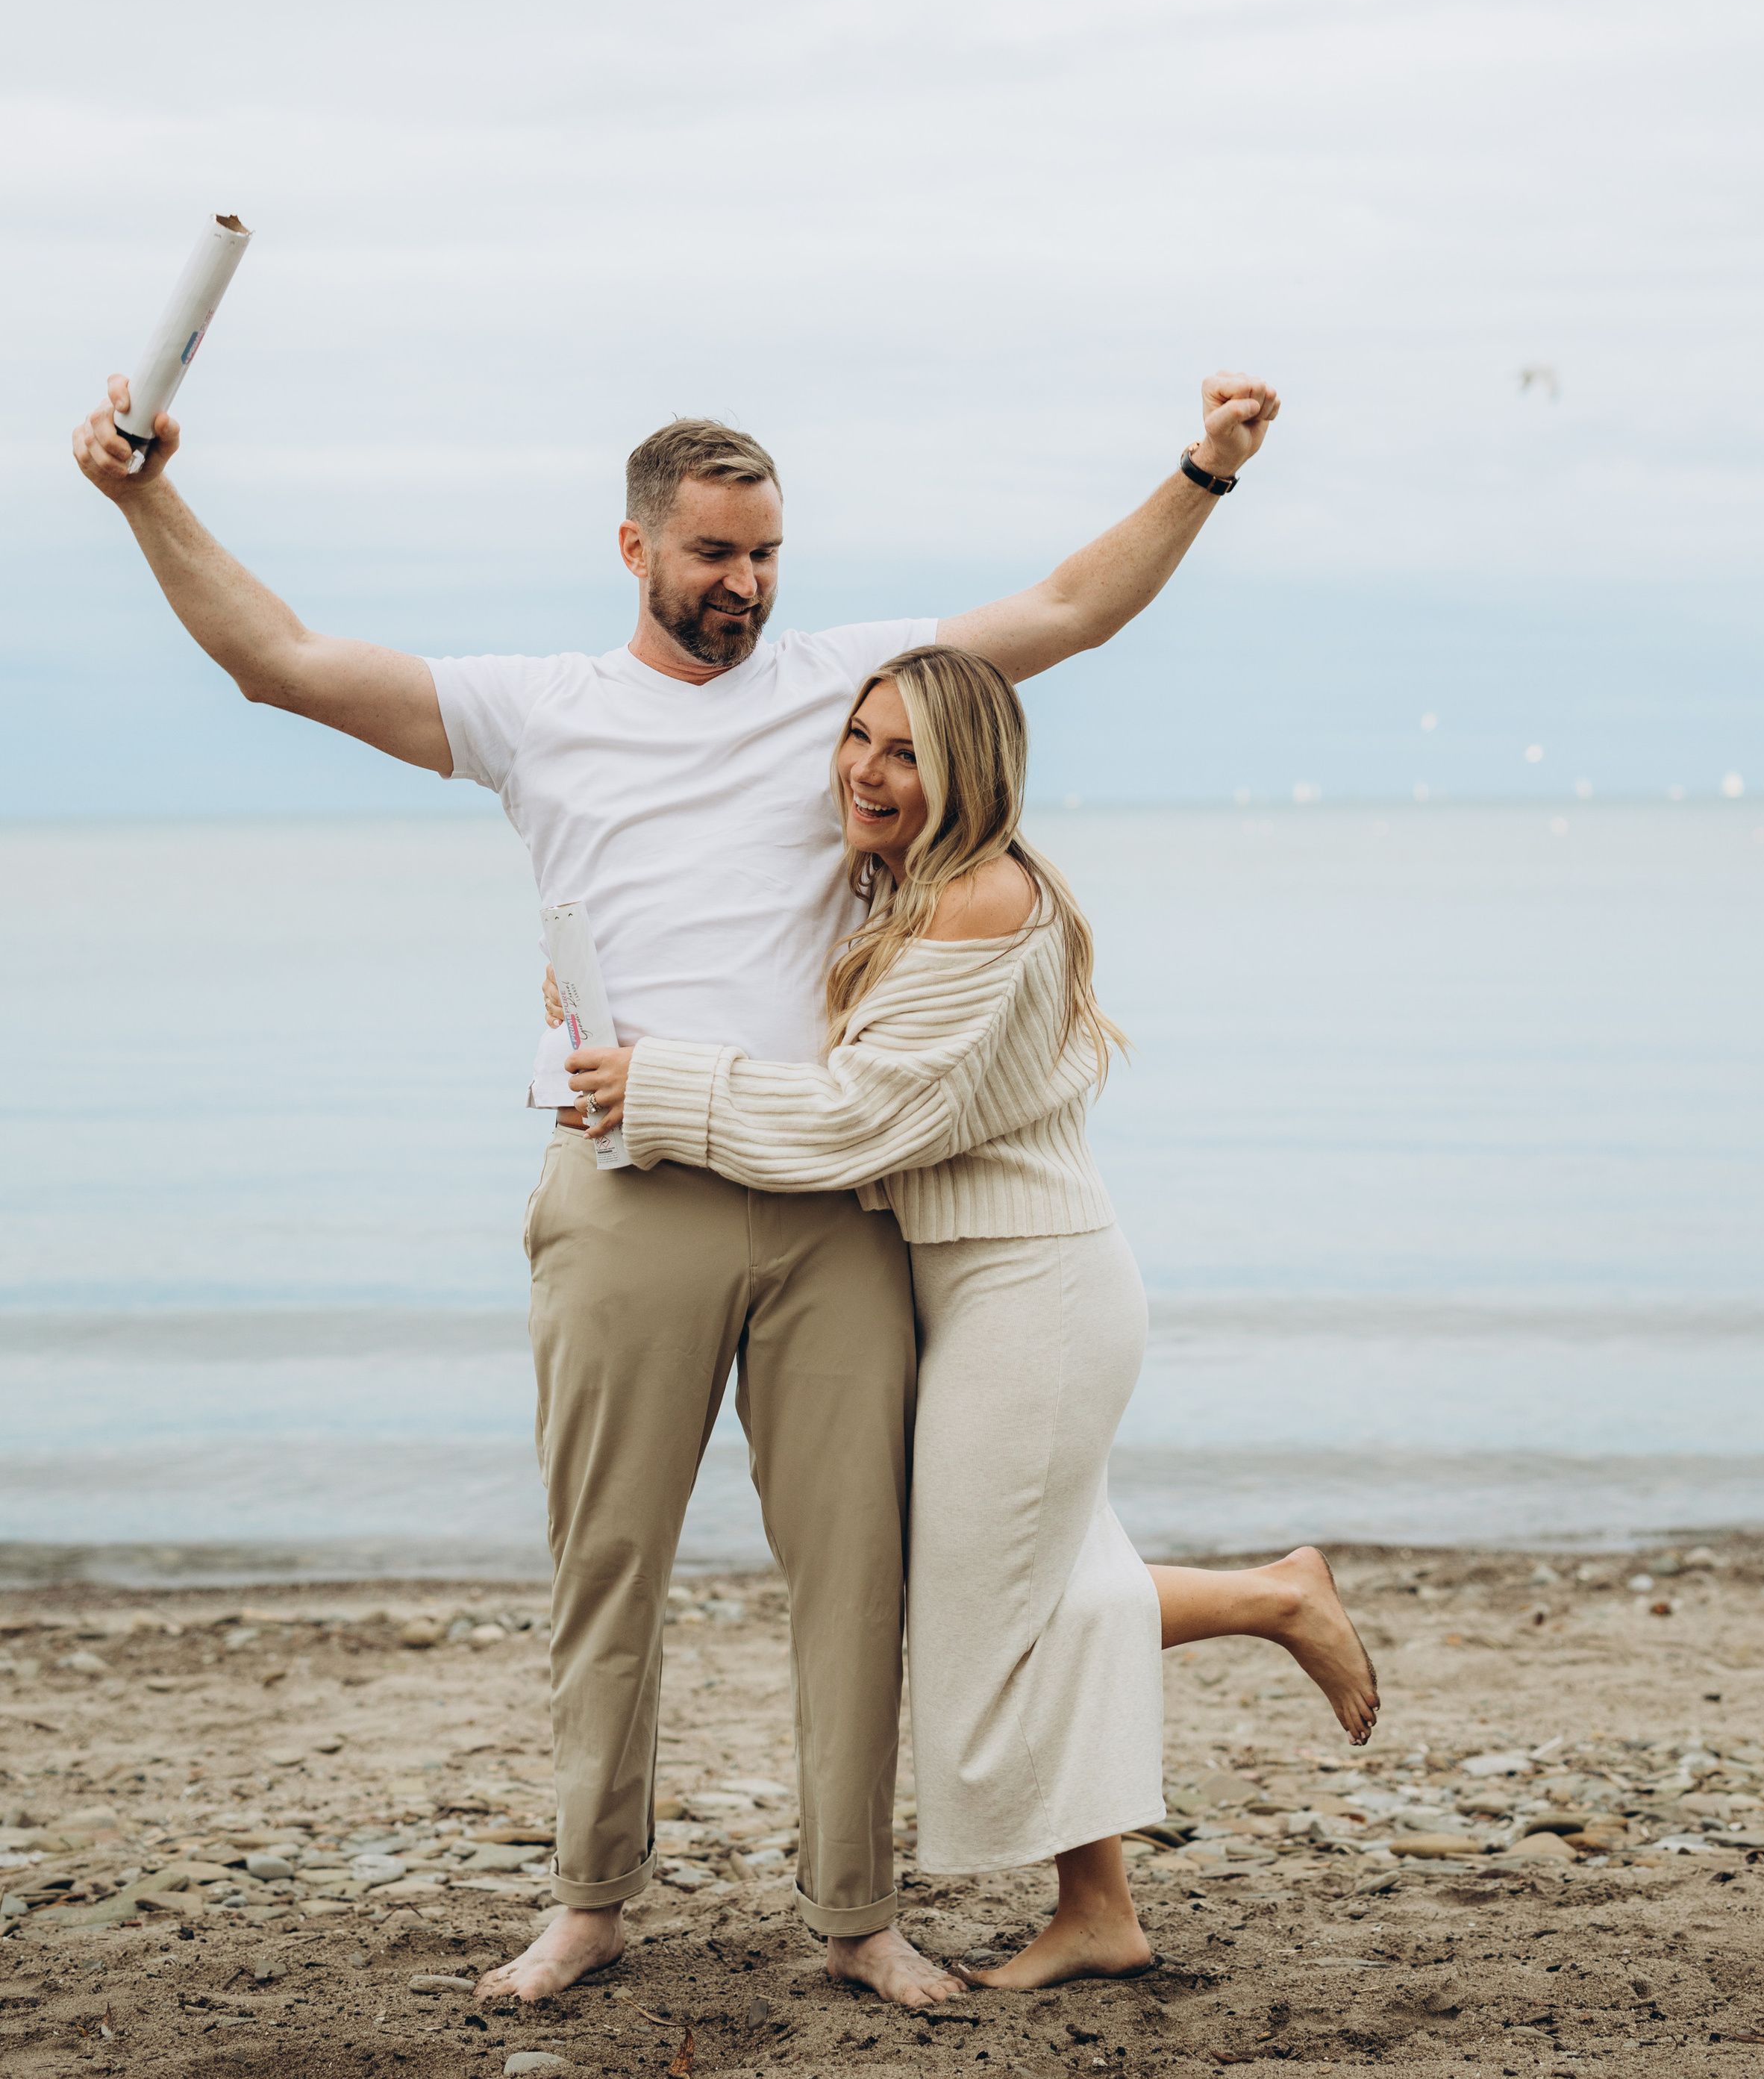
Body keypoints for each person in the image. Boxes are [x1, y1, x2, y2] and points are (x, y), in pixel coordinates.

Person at [70, 366, 1278, 2011]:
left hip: (826, 1207)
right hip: (625, 1192)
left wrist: (1201, 471)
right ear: (634, 544)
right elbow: (278, 664)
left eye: (766, 553)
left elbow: (1072, 606)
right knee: (608, 1563)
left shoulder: (853, 690)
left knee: (852, 1584)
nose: (747, 585)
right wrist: (147, 497)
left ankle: (856, 1916)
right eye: (714, 554)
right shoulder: (534, 706)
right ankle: (588, 1898)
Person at [558, 643, 1378, 1989]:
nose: (869, 773)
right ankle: (1099, 1909)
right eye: (859, 739)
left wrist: (657, 1085)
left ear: (970, 772)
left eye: (907, 753)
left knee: (978, 1618)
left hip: (1031, 1289)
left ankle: (1274, 1597)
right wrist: (613, 1010)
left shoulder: (980, 901)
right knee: (1048, 1586)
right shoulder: (911, 883)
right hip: (976, 1283)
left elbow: (863, 1115)